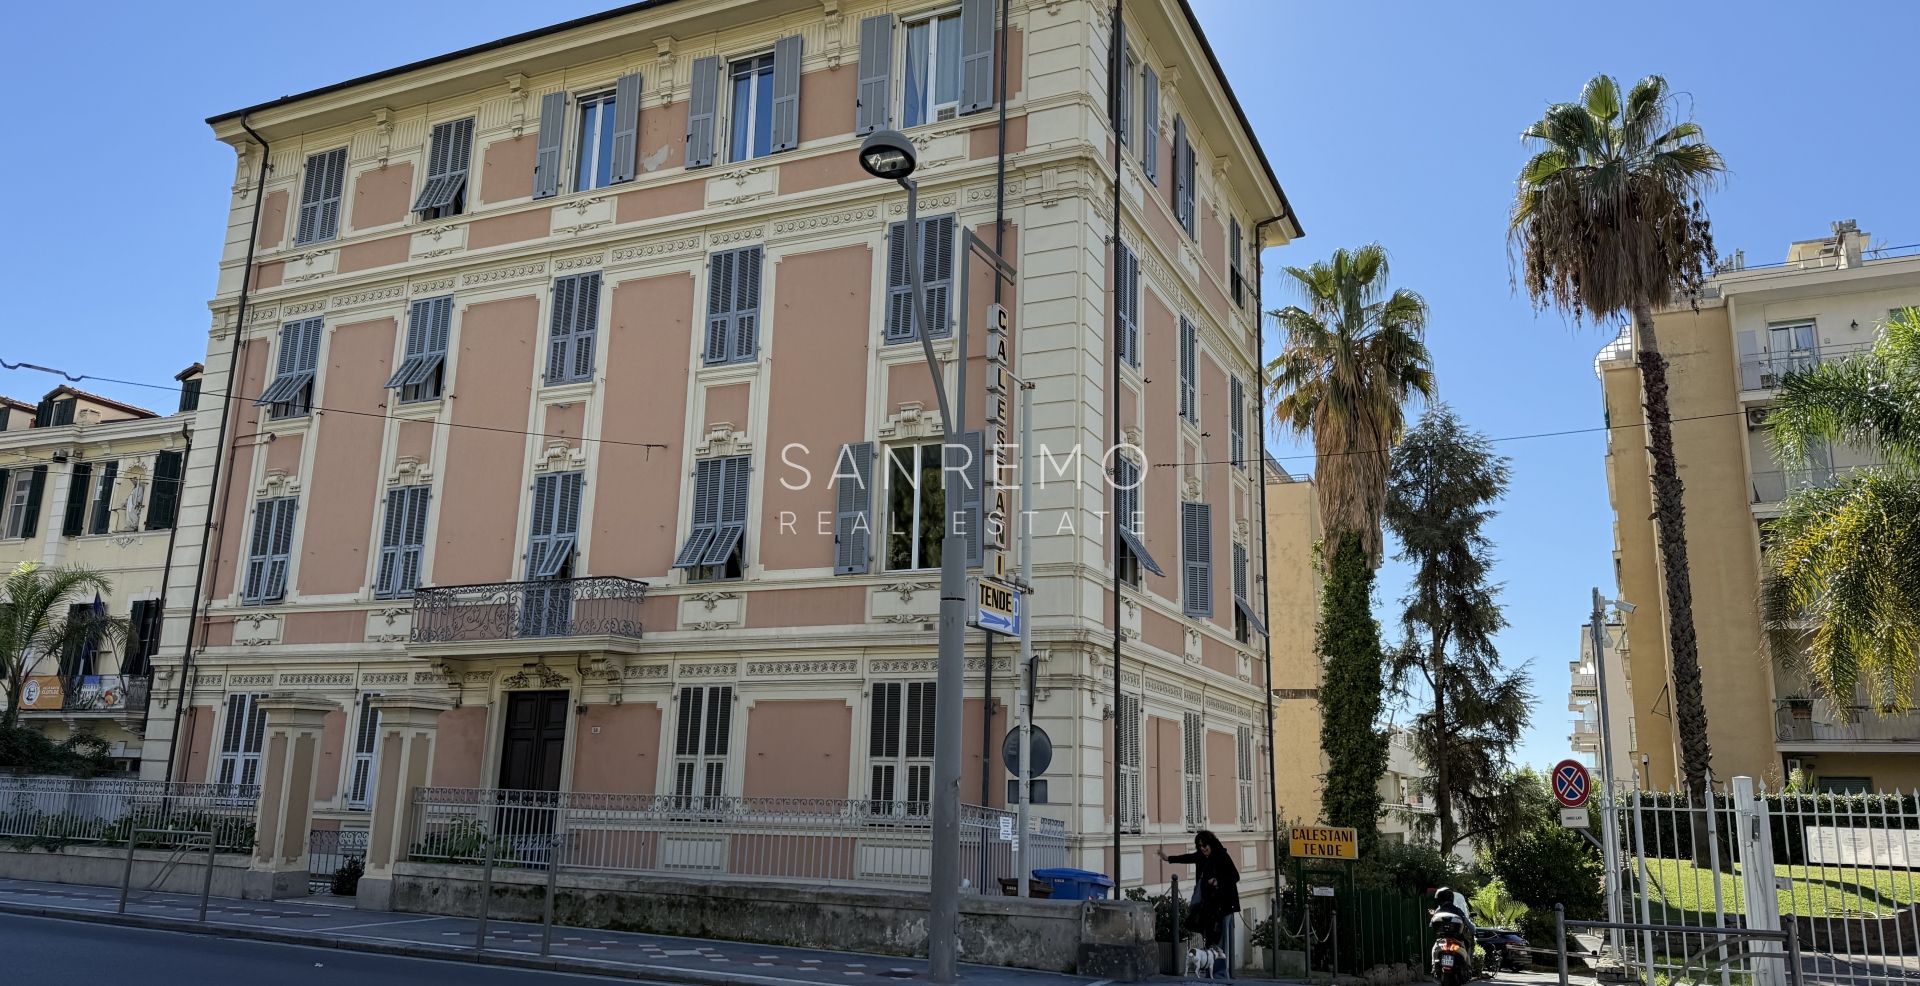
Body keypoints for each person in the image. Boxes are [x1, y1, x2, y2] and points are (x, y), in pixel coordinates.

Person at [1160, 830, 1241, 952]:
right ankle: (1211, 970)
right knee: (1210, 940)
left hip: (1224, 906)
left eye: (1205, 845)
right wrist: (1168, 858)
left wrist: (1217, 881)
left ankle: (1220, 971)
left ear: (1211, 844)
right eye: (1200, 846)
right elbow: (1188, 857)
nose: (1203, 849)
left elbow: (1235, 876)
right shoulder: (1201, 857)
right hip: (1209, 906)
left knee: (1221, 943)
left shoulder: (1222, 856)